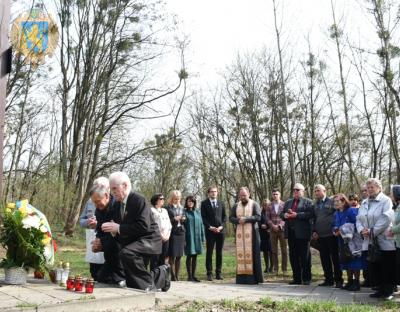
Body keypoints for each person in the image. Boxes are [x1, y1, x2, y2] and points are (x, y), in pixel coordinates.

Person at [101, 172, 170, 292]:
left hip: (150, 239)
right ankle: (162, 275)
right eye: (111, 189)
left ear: (125, 185)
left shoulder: (138, 200)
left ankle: (149, 286)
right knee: (133, 282)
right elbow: (122, 228)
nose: (112, 193)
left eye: (114, 189)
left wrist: (118, 228)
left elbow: (143, 226)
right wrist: (114, 232)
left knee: (127, 253)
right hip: (136, 241)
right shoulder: (118, 205)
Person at [356, 178, 395, 300]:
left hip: (384, 238)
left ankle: (388, 291)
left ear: (379, 188)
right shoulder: (364, 202)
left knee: (387, 265)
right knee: (375, 264)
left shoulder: (386, 200)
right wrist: (361, 230)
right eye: (368, 188)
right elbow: (359, 218)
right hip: (370, 240)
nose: (369, 190)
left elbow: (386, 218)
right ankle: (379, 289)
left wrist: (372, 231)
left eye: (372, 187)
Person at [91, 185, 125, 286]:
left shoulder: (118, 206)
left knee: (117, 281)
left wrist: (102, 242)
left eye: (98, 201)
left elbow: (120, 234)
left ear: (106, 195)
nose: (96, 205)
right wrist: (97, 242)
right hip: (109, 254)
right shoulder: (98, 210)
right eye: (94, 202)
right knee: (101, 278)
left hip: (120, 253)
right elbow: (100, 229)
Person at [281, 183, 313, 285]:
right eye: (294, 190)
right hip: (291, 233)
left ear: (303, 191)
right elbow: (281, 214)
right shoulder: (288, 202)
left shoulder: (308, 202)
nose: (295, 191)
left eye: (298, 190)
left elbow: (311, 215)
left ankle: (307, 278)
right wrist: (285, 215)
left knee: (305, 257)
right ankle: (297, 278)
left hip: (303, 233)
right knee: (293, 257)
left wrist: (297, 215)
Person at [230, 187, 263, 284]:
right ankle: (241, 279)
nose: (243, 197)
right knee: (241, 255)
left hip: (252, 234)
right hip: (240, 234)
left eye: (244, 195)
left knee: (253, 255)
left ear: (249, 194)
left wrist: (246, 219)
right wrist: (237, 220)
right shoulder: (236, 205)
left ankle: (253, 279)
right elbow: (231, 217)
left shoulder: (254, 204)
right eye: (241, 195)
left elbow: (258, 217)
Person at [332, 194, 366, 291]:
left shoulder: (351, 210)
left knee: (355, 261)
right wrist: (334, 231)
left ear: (344, 202)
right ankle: (350, 281)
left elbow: (357, 224)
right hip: (342, 241)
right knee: (346, 260)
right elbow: (334, 225)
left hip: (353, 241)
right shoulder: (336, 213)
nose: (336, 203)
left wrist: (342, 230)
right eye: (335, 201)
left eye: (338, 201)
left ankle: (356, 282)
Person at [312, 184, 343, 288]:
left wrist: (336, 228)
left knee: (335, 258)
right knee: (324, 258)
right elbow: (314, 219)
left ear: (324, 191)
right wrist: (314, 231)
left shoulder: (332, 201)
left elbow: (338, 214)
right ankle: (328, 280)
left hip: (332, 235)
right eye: (315, 191)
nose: (316, 193)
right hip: (320, 236)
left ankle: (338, 280)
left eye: (318, 190)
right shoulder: (315, 204)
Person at [79, 177, 108, 280]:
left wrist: (99, 224)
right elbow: (81, 221)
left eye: (101, 186)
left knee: (105, 269)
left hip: (106, 239)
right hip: (92, 237)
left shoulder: (113, 202)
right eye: (96, 186)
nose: (97, 189)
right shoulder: (89, 202)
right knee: (94, 269)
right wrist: (88, 222)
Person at [201, 186, 226, 281]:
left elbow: (224, 217)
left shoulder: (221, 203)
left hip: (220, 231)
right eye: (211, 192)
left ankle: (218, 273)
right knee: (209, 252)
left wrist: (221, 226)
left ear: (217, 193)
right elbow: (203, 218)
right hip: (210, 231)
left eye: (215, 192)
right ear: (208, 193)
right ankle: (209, 273)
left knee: (219, 252)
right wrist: (210, 227)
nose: (213, 193)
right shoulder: (204, 203)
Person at [184, 195, 205, 282]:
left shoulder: (197, 212)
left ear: (194, 203)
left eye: (192, 201)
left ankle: (194, 275)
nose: (190, 203)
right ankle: (189, 276)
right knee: (189, 255)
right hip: (189, 236)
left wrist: (203, 237)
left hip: (197, 237)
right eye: (189, 201)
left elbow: (201, 225)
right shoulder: (184, 212)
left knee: (195, 256)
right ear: (186, 202)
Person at [266, 189, 287, 275]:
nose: (275, 195)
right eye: (274, 194)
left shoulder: (284, 205)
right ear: (272, 195)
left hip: (282, 230)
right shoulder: (269, 205)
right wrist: (272, 225)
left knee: (284, 250)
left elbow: (286, 217)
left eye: (277, 194)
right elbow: (267, 218)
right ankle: (275, 269)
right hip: (272, 230)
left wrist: (280, 225)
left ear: (280, 195)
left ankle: (284, 269)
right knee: (274, 250)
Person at [166, 190, 186, 281]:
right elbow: (166, 220)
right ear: (172, 198)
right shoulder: (167, 208)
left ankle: (177, 275)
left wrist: (184, 218)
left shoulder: (182, 208)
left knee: (179, 255)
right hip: (173, 232)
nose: (177, 200)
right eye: (175, 198)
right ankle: (173, 276)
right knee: (172, 255)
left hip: (181, 232)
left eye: (178, 198)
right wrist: (174, 219)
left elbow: (185, 217)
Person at [150, 193, 172, 270]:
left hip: (166, 238)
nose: (163, 200)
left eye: (163, 199)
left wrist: (168, 235)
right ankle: (154, 276)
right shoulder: (151, 210)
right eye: (161, 199)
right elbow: (152, 225)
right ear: (156, 200)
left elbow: (169, 224)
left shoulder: (165, 210)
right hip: (156, 238)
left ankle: (161, 277)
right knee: (155, 258)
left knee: (163, 257)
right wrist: (160, 235)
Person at [388, 185, 400, 289]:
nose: (390, 195)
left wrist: (392, 230)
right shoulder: (397, 206)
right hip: (397, 241)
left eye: (392, 193)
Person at [259, 199, 273, 273]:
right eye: (264, 205)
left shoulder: (271, 212)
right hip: (263, 234)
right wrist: (261, 225)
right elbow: (258, 221)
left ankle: (272, 267)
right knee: (265, 251)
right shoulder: (260, 213)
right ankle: (267, 267)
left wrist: (268, 227)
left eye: (267, 205)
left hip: (270, 233)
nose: (266, 206)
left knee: (271, 251)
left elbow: (273, 221)